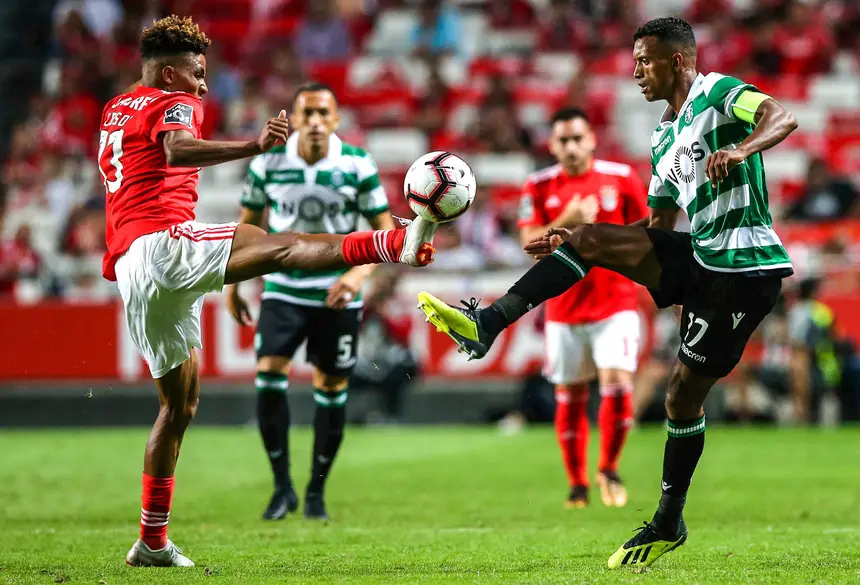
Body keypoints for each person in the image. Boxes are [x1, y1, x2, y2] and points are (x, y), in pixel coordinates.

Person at [417, 16, 797, 568]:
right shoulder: (663, 138)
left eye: (644, 60)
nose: (636, 71)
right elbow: (658, 229)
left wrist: (740, 152)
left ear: (676, 59)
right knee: (593, 245)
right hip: (700, 255)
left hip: (745, 268)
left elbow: (779, 117)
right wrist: (579, 245)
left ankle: (669, 519)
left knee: (682, 396)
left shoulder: (716, 92)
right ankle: (488, 323)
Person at [98, 15, 436, 568]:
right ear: (167, 71)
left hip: (133, 269)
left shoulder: (116, 108)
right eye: (196, 73)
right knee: (280, 246)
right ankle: (389, 246)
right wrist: (253, 145)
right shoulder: (172, 101)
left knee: (178, 407)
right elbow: (178, 150)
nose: (203, 85)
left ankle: (151, 542)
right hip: (162, 242)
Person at [225, 82, 396, 522]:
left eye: (324, 113)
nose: (316, 122)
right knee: (268, 377)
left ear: (336, 119)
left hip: (335, 295)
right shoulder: (268, 163)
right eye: (307, 114)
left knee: (332, 388)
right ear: (294, 119)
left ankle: (316, 491)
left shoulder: (358, 164)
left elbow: (386, 234)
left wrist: (357, 276)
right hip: (282, 287)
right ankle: (282, 488)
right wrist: (233, 284)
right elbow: (248, 227)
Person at [517, 107, 648, 509]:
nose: (571, 147)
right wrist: (568, 219)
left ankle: (608, 468)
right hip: (564, 306)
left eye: (578, 138)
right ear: (553, 145)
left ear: (591, 138)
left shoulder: (621, 178)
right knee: (570, 395)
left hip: (616, 300)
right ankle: (577, 485)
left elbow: (648, 231)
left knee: (617, 383)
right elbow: (529, 244)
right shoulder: (538, 186)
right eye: (563, 140)